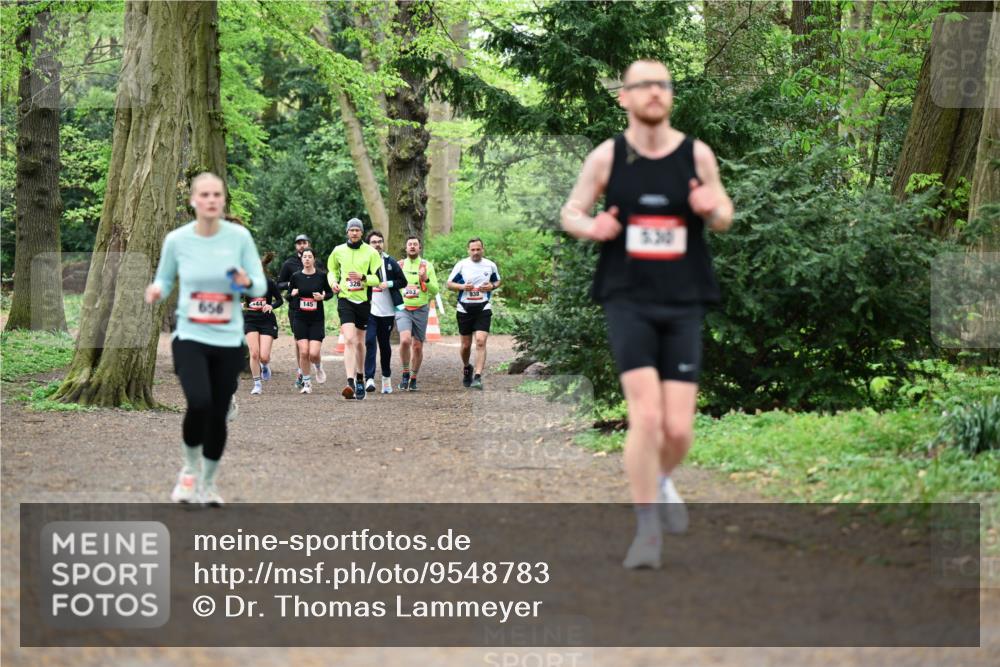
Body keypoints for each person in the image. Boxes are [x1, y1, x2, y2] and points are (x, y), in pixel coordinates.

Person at [560, 59, 734, 569]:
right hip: (627, 297)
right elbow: (571, 211)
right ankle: (646, 532)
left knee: (679, 430)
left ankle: (660, 481)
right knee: (647, 415)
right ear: (625, 97)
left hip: (683, 299)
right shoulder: (608, 157)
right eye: (644, 85)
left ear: (670, 95)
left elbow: (725, 214)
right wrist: (590, 228)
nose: (655, 92)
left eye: (663, 84)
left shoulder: (696, 154)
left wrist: (711, 208)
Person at [144, 171, 266, 507]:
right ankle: (189, 472)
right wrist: (157, 290)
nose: (211, 200)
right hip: (190, 336)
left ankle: (209, 484)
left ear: (222, 200)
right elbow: (166, 280)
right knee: (199, 402)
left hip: (227, 340)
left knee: (217, 412)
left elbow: (259, 285)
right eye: (205, 194)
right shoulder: (177, 240)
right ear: (194, 200)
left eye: (217, 194)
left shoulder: (239, 239)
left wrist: (245, 281)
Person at [327, 218, 382, 400]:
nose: (355, 233)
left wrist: (364, 277)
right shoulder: (338, 251)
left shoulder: (371, 253)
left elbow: (378, 278)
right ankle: (349, 382)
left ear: (361, 233)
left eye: (358, 230)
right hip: (345, 299)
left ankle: (360, 377)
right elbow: (331, 270)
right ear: (347, 232)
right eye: (352, 230)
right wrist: (333, 282)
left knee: (360, 343)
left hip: (363, 301)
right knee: (349, 339)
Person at [446, 238, 501, 390]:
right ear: (468, 250)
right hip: (464, 308)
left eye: (478, 249)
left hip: (483, 307)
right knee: (465, 345)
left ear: (483, 249)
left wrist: (491, 286)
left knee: (481, 341)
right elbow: (449, 284)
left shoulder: (490, 265)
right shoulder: (462, 265)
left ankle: (477, 377)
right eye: (473, 250)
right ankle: (466, 367)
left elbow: (497, 282)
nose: (476, 252)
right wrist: (463, 286)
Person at [364, 230, 408, 394]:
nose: (377, 244)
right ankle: (369, 378)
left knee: (384, 345)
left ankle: (386, 378)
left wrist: (388, 284)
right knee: (369, 341)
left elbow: (403, 281)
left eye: (380, 241)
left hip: (388, 310)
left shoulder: (390, 262)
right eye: (374, 242)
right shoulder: (365, 262)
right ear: (368, 245)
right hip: (370, 309)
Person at [396, 236, 439, 392]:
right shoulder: (399, 265)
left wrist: (425, 279)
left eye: (415, 244)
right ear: (406, 248)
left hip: (421, 308)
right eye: (410, 244)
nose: (412, 246)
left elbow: (435, 290)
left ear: (419, 248)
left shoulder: (427, 266)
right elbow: (393, 286)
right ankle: (405, 373)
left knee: (418, 346)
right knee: (405, 340)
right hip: (404, 309)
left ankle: (414, 377)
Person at [288, 248, 330, 394]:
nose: (307, 259)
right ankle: (307, 383)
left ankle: (318, 367)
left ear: (314, 259)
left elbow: (330, 293)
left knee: (313, 353)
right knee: (304, 352)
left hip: (316, 319)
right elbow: (288, 296)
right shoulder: (296, 276)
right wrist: (292, 294)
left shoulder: (321, 276)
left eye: (309, 256)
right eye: (304, 257)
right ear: (301, 259)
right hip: (300, 318)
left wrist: (322, 297)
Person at [243, 252, 283, 395]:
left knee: (264, 356)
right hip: (251, 320)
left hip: (266, 320)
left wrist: (271, 306)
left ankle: (265, 365)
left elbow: (280, 300)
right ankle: (257, 384)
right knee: (254, 353)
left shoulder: (269, 283)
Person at [276, 233, 311, 388]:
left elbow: (325, 281)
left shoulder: (316, 262)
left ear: (309, 244)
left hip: (314, 307)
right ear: (296, 246)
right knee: (299, 340)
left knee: (312, 342)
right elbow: (279, 284)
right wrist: (292, 282)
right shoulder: (289, 263)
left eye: (304, 242)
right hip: (296, 306)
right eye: (299, 243)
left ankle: (311, 368)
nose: (302, 245)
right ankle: (301, 372)